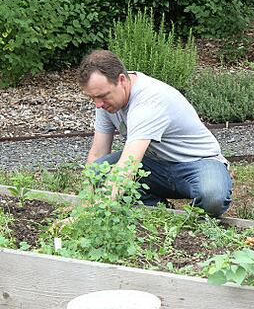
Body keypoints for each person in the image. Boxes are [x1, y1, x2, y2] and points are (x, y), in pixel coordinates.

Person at [78, 50, 232, 217]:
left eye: (102, 96)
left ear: (122, 80)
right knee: (99, 171)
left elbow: (127, 167)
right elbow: (98, 153)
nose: (98, 104)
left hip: (197, 163)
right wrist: (85, 204)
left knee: (213, 196)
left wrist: (88, 217)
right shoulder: (105, 102)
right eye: (93, 98)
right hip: (155, 164)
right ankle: (160, 211)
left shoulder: (149, 100)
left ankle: (195, 219)